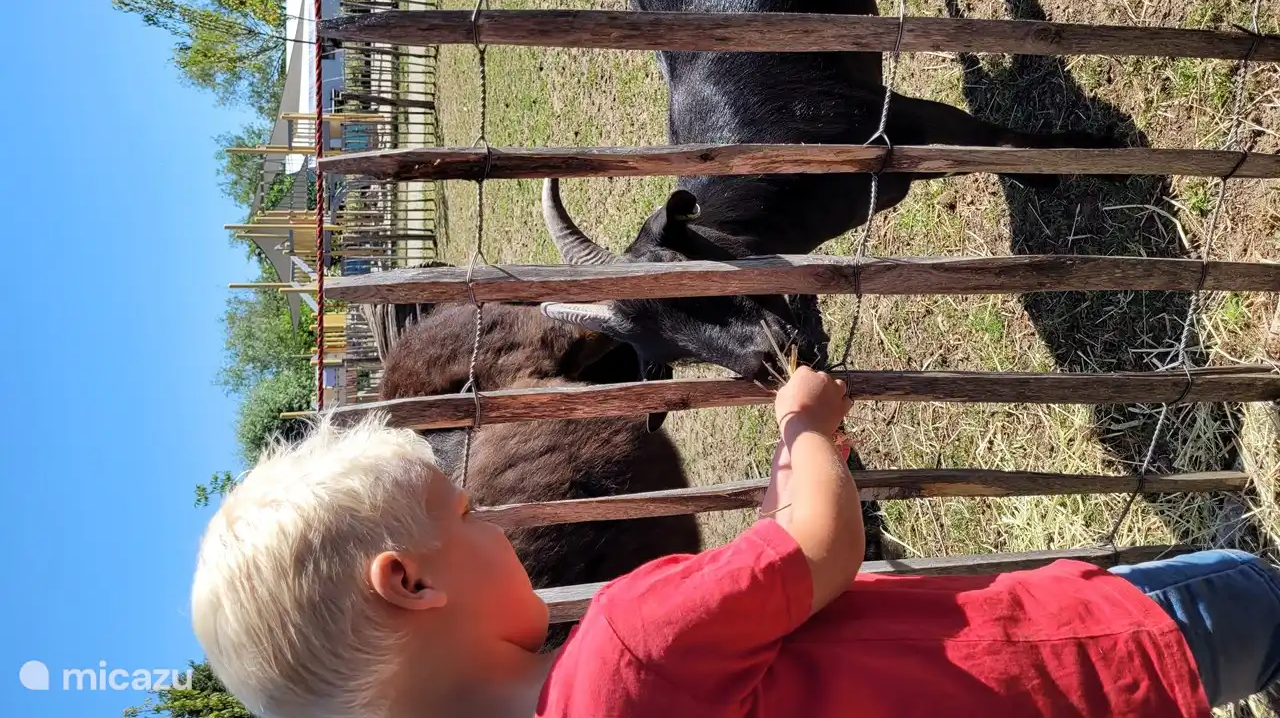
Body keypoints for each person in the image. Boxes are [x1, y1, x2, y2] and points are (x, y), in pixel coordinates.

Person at [191, 368, 1280, 718]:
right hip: (1064, 660)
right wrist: (803, 426)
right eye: (468, 514)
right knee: (1245, 596)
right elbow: (816, 545)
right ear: (410, 581)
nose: (496, 524)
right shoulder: (625, 642)